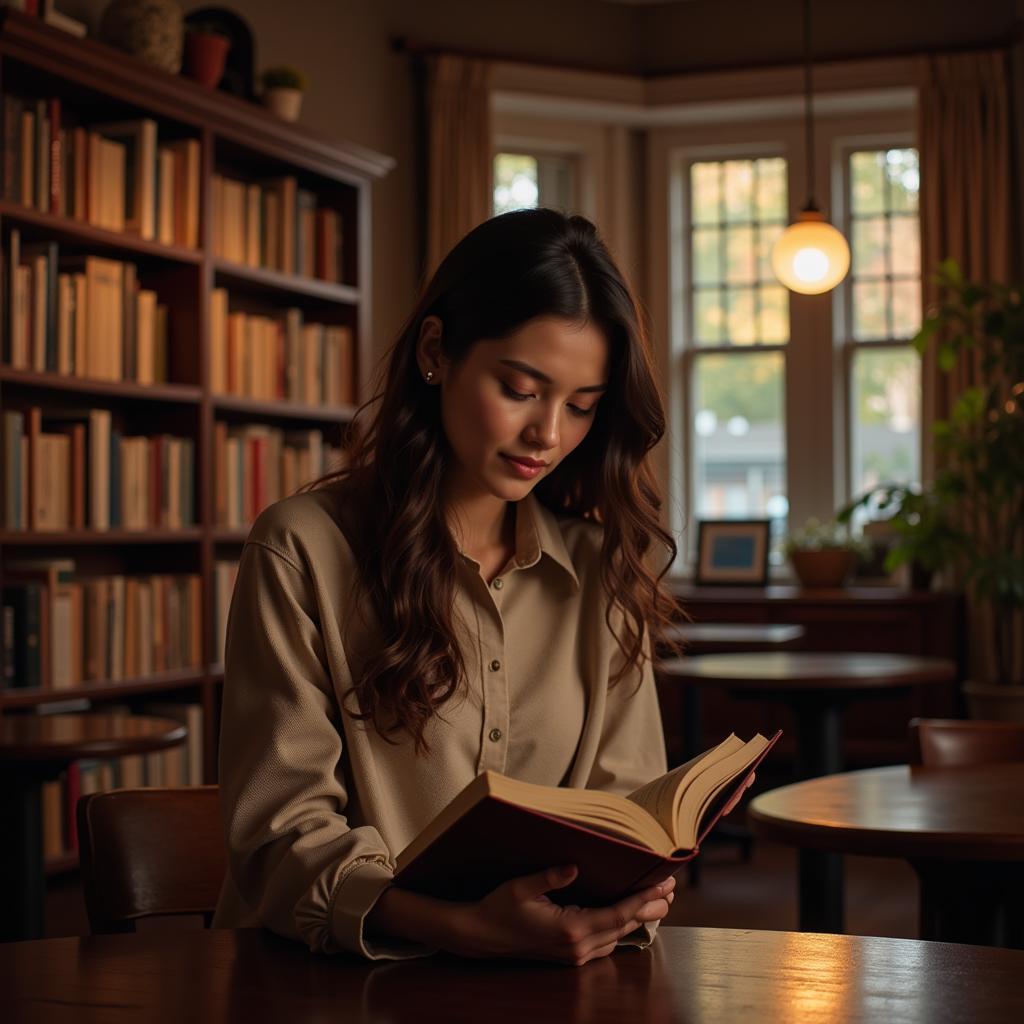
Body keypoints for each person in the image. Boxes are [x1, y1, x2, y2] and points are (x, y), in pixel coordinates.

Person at [212, 208, 686, 965]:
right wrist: (463, 929)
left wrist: (635, 891)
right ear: (437, 351)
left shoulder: (601, 573)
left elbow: (627, 808)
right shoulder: (303, 548)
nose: (549, 435)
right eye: (521, 388)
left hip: (545, 989)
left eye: (582, 406)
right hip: (321, 987)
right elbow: (280, 835)